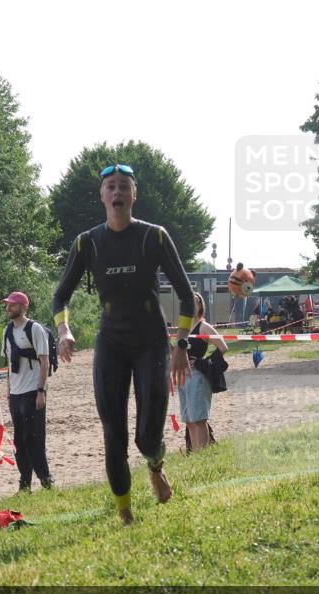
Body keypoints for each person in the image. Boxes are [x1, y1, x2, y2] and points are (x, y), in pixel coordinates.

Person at [53, 163, 196, 525]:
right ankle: (126, 514)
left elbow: (186, 295)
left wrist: (181, 345)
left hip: (151, 342)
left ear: (134, 195)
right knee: (113, 433)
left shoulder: (154, 237)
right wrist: (64, 330)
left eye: (124, 187)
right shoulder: (87, 242)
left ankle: (155, 465)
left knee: (147, 437)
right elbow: (60, 296)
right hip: (111, 344)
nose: (117, 192)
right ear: (102, 195)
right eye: (111, 187)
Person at [1, 291, 53, 493]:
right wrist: (9, 391)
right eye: (7, 304)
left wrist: (41, 391)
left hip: (33, 391)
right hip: (15, 394)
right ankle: (24, 486)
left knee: (34, 440)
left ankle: (47, 482)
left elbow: (45, 362)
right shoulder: (7, 331)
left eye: (12, 304)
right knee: (19, 442)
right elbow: (9, 364)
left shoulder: (35, 329)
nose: (8, 308)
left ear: (24, 307)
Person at [179, 293, 228, 453]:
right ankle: (195, 455)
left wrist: (204, 362)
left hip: (197, 377)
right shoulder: (184, 328)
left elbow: (223, 347)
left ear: (200, 306)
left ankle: (203, 455)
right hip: (183, 377)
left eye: (194, 302)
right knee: (189, 420)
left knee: (199, 419)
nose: (190, 305)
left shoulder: (204, 326)